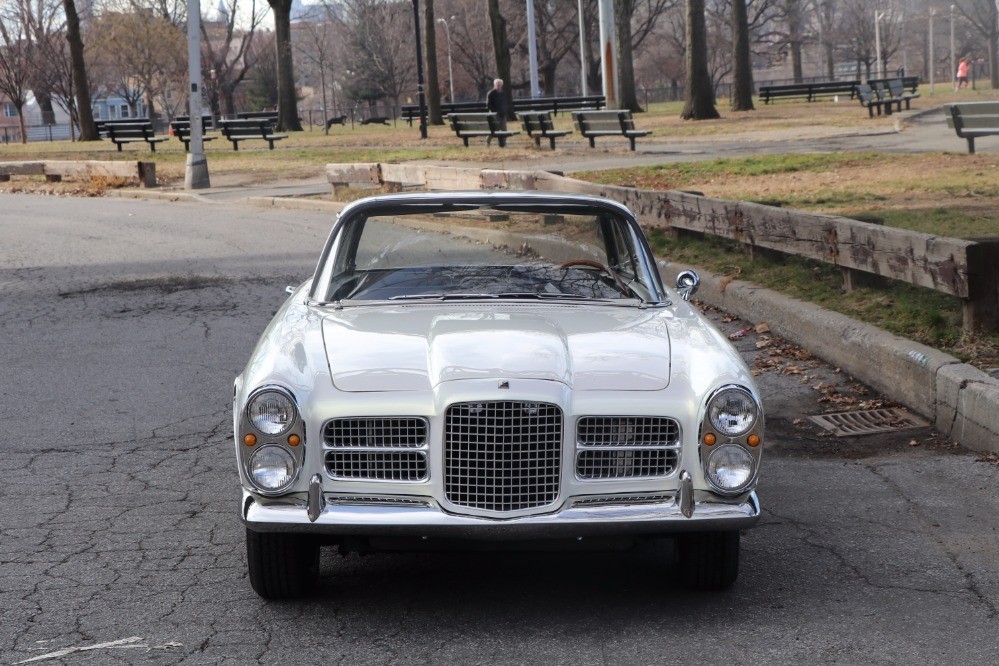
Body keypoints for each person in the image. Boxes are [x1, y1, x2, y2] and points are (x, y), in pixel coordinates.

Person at [486, 78, 507, 144]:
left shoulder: (503, 93)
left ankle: (503, 144)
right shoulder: (491, 93)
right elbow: (488, 105)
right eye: (497, 84)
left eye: (500, 85)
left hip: (502, 114)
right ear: (494, 85)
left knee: (504, 130)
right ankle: (488, 142)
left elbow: (504, 103)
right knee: (494, 129)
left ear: (502, 85)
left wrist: (505, 110)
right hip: (494, 114)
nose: (499, 86)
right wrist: (494, 112)